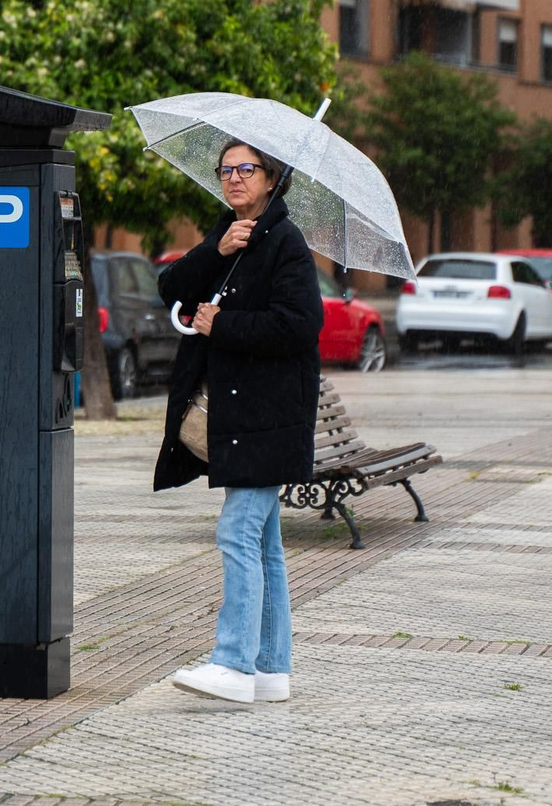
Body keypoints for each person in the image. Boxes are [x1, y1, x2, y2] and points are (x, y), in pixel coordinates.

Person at [155, 140, 324, 704]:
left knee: (237, 532)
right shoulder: (232, 238)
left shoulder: (286, 243)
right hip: (242, 416)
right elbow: (171, 288)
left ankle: (232, 664)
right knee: (265, 545)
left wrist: (222, 325)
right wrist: (214, 248)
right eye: (226, 171)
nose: (232, 180)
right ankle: (272, 669)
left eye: (245, 170)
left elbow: (299, 326)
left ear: (272, 178)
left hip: (268, 417)